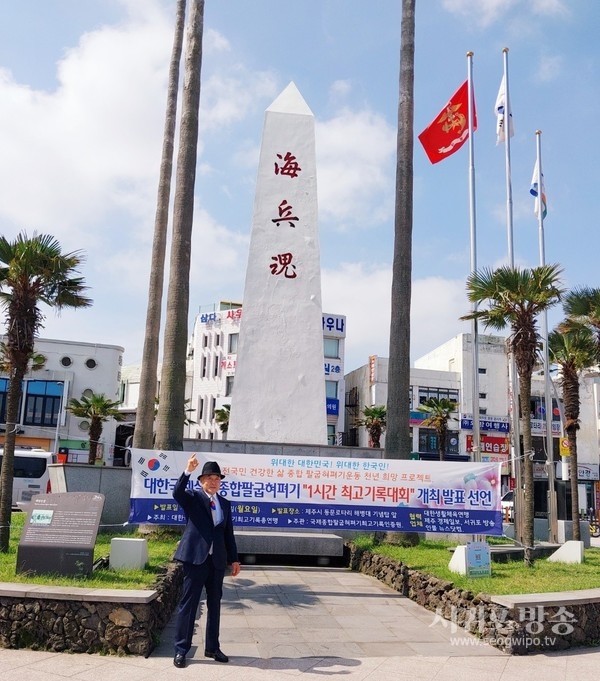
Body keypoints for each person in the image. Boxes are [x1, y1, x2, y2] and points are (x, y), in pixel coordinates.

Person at [172, 454, 241, 668]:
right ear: (201, 481)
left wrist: (235, 559)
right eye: (209, 478)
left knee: (215, 604)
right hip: (195, 559)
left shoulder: (225, 504)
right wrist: (187, 471)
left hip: (217, 561)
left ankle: (213, 648)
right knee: (188, 604)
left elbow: (227, 534)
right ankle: (181, 650)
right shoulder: (192, 498)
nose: (213, 481)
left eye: (217, 478)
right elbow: (177, 493)